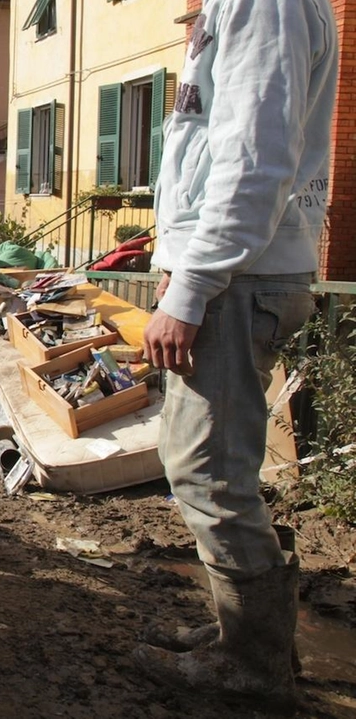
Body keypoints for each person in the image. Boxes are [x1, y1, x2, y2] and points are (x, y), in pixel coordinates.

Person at [136, 0, 337, 704]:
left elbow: (254, 158)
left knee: (209, 474)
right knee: (209, 466)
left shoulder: (265, 4)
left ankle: (254, 661)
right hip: (237, 273)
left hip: (237, 280)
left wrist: (190, 287)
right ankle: (250, 635)